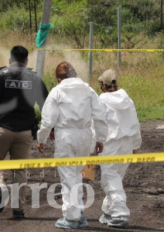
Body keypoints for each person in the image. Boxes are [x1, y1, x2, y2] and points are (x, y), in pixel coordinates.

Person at [0, 45, 49, 219]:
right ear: (26, 61)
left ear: (10, 60)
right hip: (25, 132)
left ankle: (0, 187)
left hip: (2, 130)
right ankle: (18, 210)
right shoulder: (34, 78)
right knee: (20, 170)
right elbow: (47, 105)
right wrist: (49, 128)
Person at [37, 62, 108, 229]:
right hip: (84, 135)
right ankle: (79, 214)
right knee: (76, 175)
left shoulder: (57, 91)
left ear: (59, 78)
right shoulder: (88, 90)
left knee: (68, 176)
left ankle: (71, 218)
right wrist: (101, 138)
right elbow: (100, 116)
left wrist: (42, 138)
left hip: (66, 135)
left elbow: (48, 120)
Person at [97, 69, 142, 228]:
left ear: (103, 84)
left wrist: (92, 143)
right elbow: (135, 124)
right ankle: (108, 211)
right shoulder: (127, 99)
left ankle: (120, 213)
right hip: (127, 144)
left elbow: (96, 124)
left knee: (110, 178)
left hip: (110, 144)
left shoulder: (101, 100)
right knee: (115, 178)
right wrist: (135, 145)